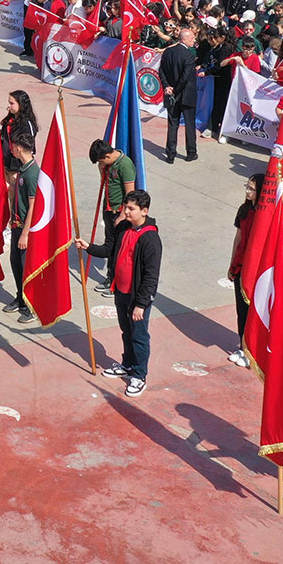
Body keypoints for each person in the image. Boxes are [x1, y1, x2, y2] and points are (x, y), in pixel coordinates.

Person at [78, 188, 160, 397]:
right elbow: (109, 250)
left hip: (136, 297)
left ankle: (139, 375)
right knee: (126, 331)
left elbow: (151, 277)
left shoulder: (150, 239)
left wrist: (141, 304)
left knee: (139, 336)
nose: (126, 212)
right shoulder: (123, 227)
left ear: (144, 211)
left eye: (131, 209)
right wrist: (89, 247)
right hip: (120, 291)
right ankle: (128, 364)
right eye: (126, 208)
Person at [89, 138, 137, 295]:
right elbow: (105, 182)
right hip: (109, 210)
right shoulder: (108, 165)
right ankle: (110, 278)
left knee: (117, 249)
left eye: (100, 161)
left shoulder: (125, 165)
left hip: (119, 213)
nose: (100, 163)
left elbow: (130, 194)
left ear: (107, 156)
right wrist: (101, 169)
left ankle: (116, 284)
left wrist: (123, 215)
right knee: (111, 246)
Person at [226, 173, 264, 368]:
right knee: (241, 310)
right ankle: (243, 346)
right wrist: (232, 262)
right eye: (247, 187)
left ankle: (253, 350)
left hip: (256, 270)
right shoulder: (244, 210)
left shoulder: (265, 216)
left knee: (253, 311)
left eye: (252, 188)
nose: (247, 191)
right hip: (241, 267)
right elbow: (238, 238)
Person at [3, 132, 39, 323]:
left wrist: (25, 234)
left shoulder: (32, 174)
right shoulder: (23, 170)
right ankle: (21, 298)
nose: (12, 150)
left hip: (26, 229)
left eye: (13, 147)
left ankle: (32, 306)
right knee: (16, 264)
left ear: (19, 148)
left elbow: (33, 205)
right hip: (17, 225)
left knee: (26, 268)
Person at [159, 25, 200, 162]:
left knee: (173, 124)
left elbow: (161, 71)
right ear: (183, 40)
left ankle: (170, 154)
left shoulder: (168, 52)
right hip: (186, 95)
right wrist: (175, 89)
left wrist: (167, 87)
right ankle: (191, 152)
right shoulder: (188, 56)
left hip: (171, 94)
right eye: (192, 38)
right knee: (189, 124)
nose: (194, 40)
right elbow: (185, 77)